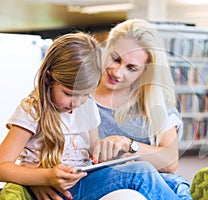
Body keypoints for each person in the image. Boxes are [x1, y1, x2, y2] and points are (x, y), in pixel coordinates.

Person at [0, 32, 182, 200]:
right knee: (140, 173)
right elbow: (2, 166)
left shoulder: (87, 106)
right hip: (63, 188)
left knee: (164, 179)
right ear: (48, 79)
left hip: (86, 178)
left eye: (86, 94)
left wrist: (107, 152)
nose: (77, 103)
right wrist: (45, 177)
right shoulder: (32, 111)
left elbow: (93, 152)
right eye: (69, 94)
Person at [93, 19, 192, 199]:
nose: (117, 72)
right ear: (106, 49)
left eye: (131, 68)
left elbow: (170, 162)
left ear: (144, 72)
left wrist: (129, 145)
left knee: (177, 186)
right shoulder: (76, 97)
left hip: (152, 189)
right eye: (115, 59)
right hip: (104, 190)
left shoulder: (154, 102)